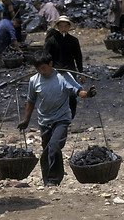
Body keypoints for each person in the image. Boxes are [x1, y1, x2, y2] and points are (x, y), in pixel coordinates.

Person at [17, 54, 96, 187]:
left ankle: (54, 179)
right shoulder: (34, 80)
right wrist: (26, 120)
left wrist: (87, 94)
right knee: (46, 151)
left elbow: (78, 91)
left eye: (43, 68)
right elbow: (30, 101)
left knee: (54, 146)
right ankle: (47, 179)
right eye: (39, 69)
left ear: (51, 64)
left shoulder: (63, 77)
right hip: (44, 121)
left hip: (61, 119)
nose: (42, 72)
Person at [44, 16, 85, 119]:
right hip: (56, 72)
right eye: (61, 26)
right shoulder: (52, 41)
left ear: (69, 27)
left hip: (70, 71)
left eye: (66, 26)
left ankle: (70, 117)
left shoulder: (73, 41)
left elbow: (78, 57)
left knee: (72, 95)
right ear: (58, 27)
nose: (63, 28)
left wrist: (81, 72)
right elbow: (46, 57)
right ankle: (57, 118)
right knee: (56, 95)